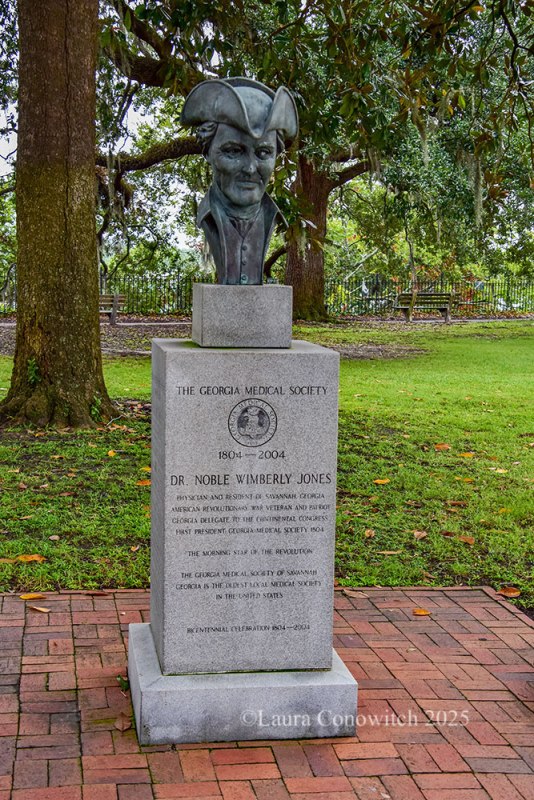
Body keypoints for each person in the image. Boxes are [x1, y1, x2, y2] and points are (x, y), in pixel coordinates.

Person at [181, 77, 298, 285]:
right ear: (207, 152)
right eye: (234, 151)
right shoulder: (209, 218)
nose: (250, 168)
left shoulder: (271, 217)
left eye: (263, 153)